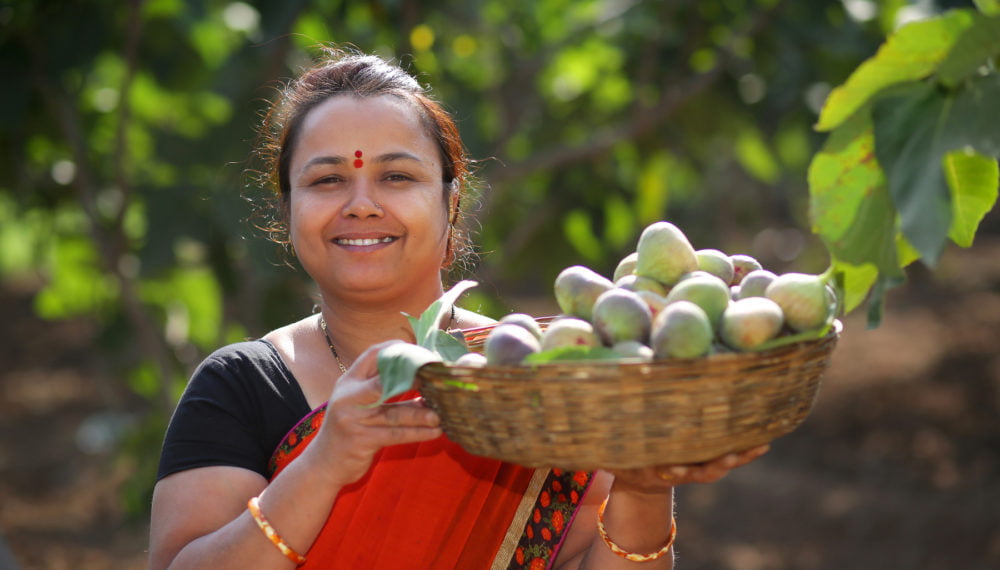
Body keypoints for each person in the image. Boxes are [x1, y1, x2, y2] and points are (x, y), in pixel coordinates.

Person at [147, 47, 769, 570]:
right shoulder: (238, 388)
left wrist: (642, 487)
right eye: (327, 180)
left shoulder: (537, 377)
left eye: (396, 177)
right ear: (287, 216)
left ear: (452, 206)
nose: (361, 204)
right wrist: (322, 466)